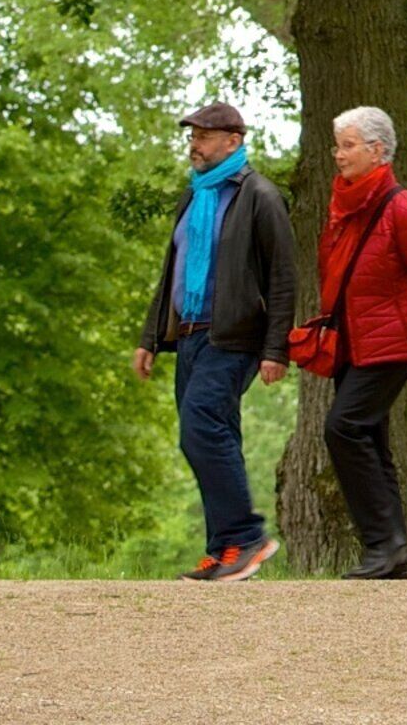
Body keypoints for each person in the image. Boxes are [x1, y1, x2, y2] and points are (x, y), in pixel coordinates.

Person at [133, 100, 297, 581]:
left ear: (234, 141)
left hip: (235, 335)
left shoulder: (260, 196)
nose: (195, 146)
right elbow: (171, 275)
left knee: (200, 424)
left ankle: (247, 536)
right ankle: (224, 550)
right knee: (210, 436)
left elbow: (283, 278)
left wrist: (276, 349)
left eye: (204, 137)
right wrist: (149, 338)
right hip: (188, 336)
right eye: (192, 137)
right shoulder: (193, 197)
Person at [315, 103, 407, 579]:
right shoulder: (347, 208)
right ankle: (392, 555)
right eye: (338, 146)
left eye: (348, 146)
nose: (339, 155)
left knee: (343, 428)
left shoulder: (405, 208)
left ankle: (382, 545)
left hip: (389, 344)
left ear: (377, 151)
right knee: (370, 439)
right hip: (351, 345)